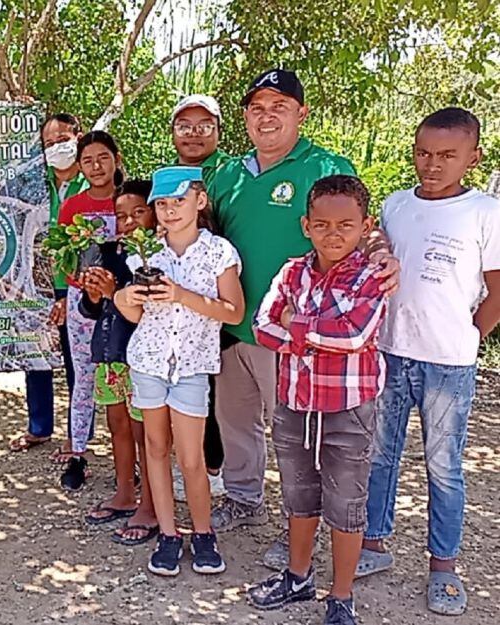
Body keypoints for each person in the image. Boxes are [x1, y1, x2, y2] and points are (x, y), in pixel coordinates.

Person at [206, 69, 399, 568]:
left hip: (299, 339)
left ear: (301, 113)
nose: (266, 116)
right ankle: (243, 499)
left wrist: (382, 254)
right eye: (256, 107)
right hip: (234, 327)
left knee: (300, 441)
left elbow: (360, 223)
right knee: (236, 424)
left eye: (279, 106)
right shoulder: (225, 173)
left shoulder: (323, 165)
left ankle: (301, 537)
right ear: (244, 117)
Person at [357, 108, 500, 617]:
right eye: (423, 153)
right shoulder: (397, 204)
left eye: (446, 155)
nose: (432, 164)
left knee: (444, 466)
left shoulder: (485, 211)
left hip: (449, 363)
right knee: (379, 455)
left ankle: (444, 565)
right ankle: (373, 543)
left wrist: (470, 336)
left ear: (473, 157)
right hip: (392, 353)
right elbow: (376, 248)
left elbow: (497, 286)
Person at [249, 175, 388, 625]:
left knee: (346, 501)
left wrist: (295, 323)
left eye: (346, 225)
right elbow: (261, 327)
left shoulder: (373, 278)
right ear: (306, 225)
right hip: (294, 403)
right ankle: (297, 575)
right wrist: (309, 331)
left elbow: (356, 335)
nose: (334, 234)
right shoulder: (292, 271)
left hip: (349, 409)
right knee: (298, 493)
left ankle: (341, 595)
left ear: (365, 226)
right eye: (322, 224)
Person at [114, 166, 243, 577]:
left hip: (190, 367)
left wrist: (183, 295)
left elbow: (233, 311)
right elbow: (136, 316)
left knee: (191, 457)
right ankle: (169, 535)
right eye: (163, 204)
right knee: (155, 448)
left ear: (200, 201)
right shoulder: (144, 253)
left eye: (179, 201)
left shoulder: (219, 252)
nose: (169, 211)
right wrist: (124, 297)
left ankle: (202, 533)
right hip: (149, 363)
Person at [78, 179, 159, 546]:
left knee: (146, 434)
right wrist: (95, 296)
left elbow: (151, 311)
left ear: (155, 213)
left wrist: (114, 292)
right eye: (121, 215)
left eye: (138, 212)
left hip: (141, 357)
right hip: (109, 353)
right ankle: (125, 491)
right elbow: (91, 309)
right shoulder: (108, 252)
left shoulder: (155, 258)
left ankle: (152, 505)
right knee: (118, 425)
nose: (128, 222)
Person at [10, 113, 88, 456]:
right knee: (35, 355)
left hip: (79, 285)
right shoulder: (35, 186)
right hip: (36, 286)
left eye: (63, 139)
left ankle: (78, 435)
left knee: (78, 362)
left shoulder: (92, 182)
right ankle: (39, 428)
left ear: (78, 136)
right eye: (49, 143)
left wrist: (70, 292)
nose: (57, 148)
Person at [169, 94, 231, 500]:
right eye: (184, 125)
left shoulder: (234, 174)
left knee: (220, 392)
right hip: (178, 302)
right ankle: (190, 464)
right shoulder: (167, 175)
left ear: (218, 131)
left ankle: (217, 468)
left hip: (222, 300)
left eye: (204, 124)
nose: (194, 133)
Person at [56, 130, 125, 491]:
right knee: (83, 378)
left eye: (103, 157)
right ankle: (78, 453)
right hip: (84, 302)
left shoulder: (131, 200)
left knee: (126, 381)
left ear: (116, 158)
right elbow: (64, 257)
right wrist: (68, 295)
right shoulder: (72, 207)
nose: (96, 166)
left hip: (127, 304)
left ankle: (130, 460)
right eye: (88, 161)